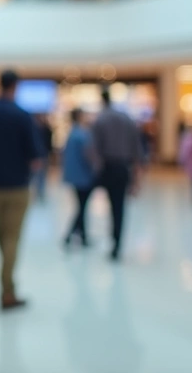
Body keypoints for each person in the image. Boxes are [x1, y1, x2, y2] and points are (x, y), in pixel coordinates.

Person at [0, 70, 43, 311]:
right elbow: (35, 158)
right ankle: (7, 290)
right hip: (17, 186)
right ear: (15, 86)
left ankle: (7, 283)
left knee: (1, 234)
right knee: (12, 237)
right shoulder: (22, 116)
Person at [89, 89, 144, 262]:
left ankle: (79, 232)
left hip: (106, 168)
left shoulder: (100, 120)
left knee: (85, 200)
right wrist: (136, 179)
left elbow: (93, 149)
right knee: (118, 208)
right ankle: (117, 244)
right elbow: (137, 152)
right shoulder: (126, 119)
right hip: (122, 168)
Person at [62, 108, 95, 248]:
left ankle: (82, 236)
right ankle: (70, 235)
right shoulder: (81, 135)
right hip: (83, 176)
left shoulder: (72, 133)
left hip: (74, 176)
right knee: (82, 207)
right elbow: (88, 155)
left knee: (81, 206)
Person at [33, 114, 54, 202]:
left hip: (44, 154)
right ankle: (36, 192)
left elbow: (49, 143)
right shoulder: (33, 129)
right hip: (35, 155)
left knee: (42, 175)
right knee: (36, 175)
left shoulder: (46, 129)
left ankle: (40, 192)